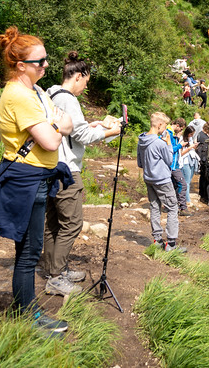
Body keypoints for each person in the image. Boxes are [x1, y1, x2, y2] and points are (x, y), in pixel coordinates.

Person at [0, 27, 74, 335]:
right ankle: (27, 315)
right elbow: (50, 140)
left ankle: (27, 311)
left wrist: (59, 124)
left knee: (29, 249)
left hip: (38, 178)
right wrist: (59, 126)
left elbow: (65, 122)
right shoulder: (19, 96)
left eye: (46, 60)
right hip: (26, 180)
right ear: (20, 65)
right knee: (29, 251)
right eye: (39, 62)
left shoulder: (36, 91)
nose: (46, 66)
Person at [40, 52, 121, 296]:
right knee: (73, 223)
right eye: (86, 81)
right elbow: (82, 137)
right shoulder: (69, 100)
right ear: (78, 76)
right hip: (67, 170)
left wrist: (93, 125)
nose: (86, 87)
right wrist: (111, 131)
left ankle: (54, 269)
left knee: (53, 222)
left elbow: (73, 130)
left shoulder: (50, 94)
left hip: (51, 166)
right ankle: (56, 278)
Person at [137, 112, 184, 252]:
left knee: (154, 206)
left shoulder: (142, 141)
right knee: (172, 208)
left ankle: (157, 240)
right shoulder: (159, 143)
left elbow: (140, 163)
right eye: (164, 126)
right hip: (162, 179)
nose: (166, 129)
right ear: (159, 125)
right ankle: (171, 244)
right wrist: (169, 144)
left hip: (148, 179)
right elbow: (170, 161)